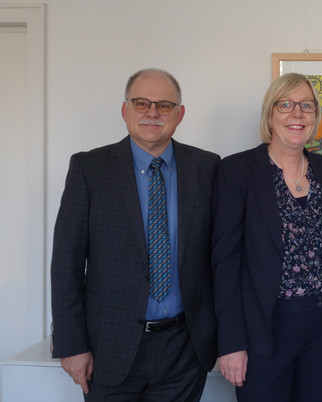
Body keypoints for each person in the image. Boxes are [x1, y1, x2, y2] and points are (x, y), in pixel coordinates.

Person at [50, 68, 220, 401]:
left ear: (180, 114)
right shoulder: (90, 169)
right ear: (125, 110)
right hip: (108, 347)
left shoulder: (208, 168)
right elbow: (66, 264)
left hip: (185, 349)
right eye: (142, 103)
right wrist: (72, 345)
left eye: (164, 105)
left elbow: (221, 257)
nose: (153, 113)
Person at [212, 72, 322, 402]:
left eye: (306, 105)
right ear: (270, 113)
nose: (297, 114)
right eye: (286, 104)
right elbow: (224, 261)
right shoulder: (238, 171)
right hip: (264, 325)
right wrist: (231, 343)